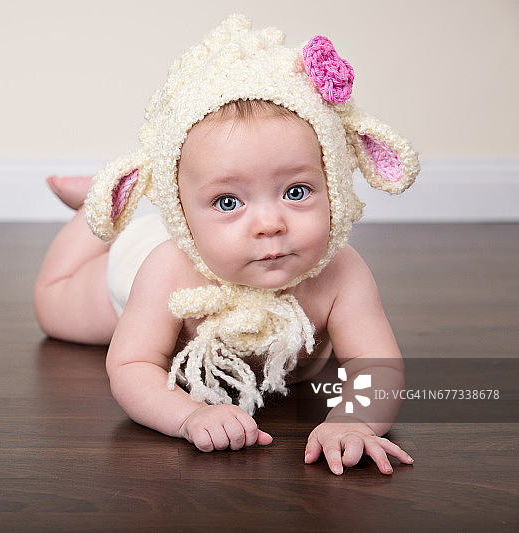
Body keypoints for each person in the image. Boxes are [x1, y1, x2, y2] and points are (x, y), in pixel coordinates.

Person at [34, 15, 419, 475]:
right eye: (228, 200)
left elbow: (378, 369)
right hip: (136, 265)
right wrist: (189, 415)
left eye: (296, 192)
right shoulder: (165, 270)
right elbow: (133, 366)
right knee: (53, 306)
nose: (269, 224)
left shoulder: (341, 273)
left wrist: (355, 423)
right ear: (184, 212)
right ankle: (91, 214)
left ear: (332, 184)